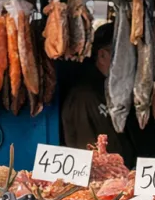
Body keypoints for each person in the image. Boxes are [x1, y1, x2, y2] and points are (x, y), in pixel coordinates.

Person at [60, 22, 143, 166]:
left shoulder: (117, 89)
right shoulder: (84, 95)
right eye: (125, 55)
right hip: (103, 180)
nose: (130, 61)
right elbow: (85, 149)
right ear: (103, 55)